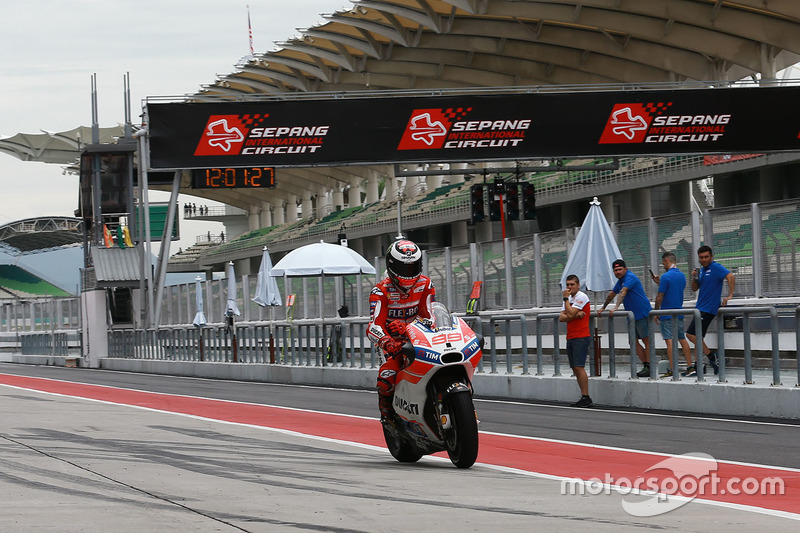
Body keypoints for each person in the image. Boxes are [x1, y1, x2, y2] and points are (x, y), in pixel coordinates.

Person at [367, 239, 436, 425]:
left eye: (413, 267)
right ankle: (388, 417)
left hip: (420, 338)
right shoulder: (380, 291)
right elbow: (373, 326)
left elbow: (431, 316)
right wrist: (388, 342)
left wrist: (409, 327)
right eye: (404, 268)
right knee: (386, 379)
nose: (409, 273)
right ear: (391, 266)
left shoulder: (426, 284)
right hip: (394, 345)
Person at [686, 245, 735, 374]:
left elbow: (731, 276)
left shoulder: (716, 267)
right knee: (698, 338)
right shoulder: (701, 270)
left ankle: (712, 356)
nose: (704, 259)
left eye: (706, 257)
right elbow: (694, 289)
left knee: (690, 335)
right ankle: (699, 366)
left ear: (711, 257)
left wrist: (730, 295)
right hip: (700, 307)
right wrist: (694, 277)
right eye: (701, 257)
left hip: (708, 308)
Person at [599, 259, 652, 377]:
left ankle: (649, 366)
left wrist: (616, 307)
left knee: (646, 339)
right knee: (632, 341)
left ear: (625, 269)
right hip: (632, 315)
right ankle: (646, 365)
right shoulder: (621, 280)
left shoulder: (630, 277)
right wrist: (603, 307)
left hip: (642, 312)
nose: (618, 272)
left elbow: (623, 291)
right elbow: (613, 293)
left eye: (620, 269)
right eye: (615, 270)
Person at [651, 252, 694, 378]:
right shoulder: (682, 276)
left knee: (669, 341)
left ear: (666, 261)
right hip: (679, 312)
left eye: (663, 263)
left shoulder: (666, 276)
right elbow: (673, 290)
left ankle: (673, 368)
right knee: (681, 339)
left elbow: (660, 296)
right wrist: (660, 283)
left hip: (667, 313)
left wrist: (656, 311)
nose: (663, 265)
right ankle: (690, 366)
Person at [559, 274, 592, 407]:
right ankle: (583, 396)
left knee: (579, 366)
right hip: (571, 336)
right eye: (567, 285)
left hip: (581, 336)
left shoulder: (581, 297)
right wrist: (572, 313)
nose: (569, 287)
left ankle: (586, 396)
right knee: (574, 367)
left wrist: (571, 312)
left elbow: (569, 314)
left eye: (572, 284)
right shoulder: (568, 299)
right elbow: (562, 317)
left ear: (578, 285)